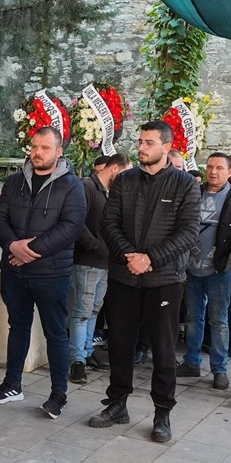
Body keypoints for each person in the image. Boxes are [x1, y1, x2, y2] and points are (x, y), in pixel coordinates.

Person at [88, 121, 199, 443]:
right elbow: (108, 224)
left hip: (164, 280)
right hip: (125, 277)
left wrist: (149, 259)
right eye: (140, 141)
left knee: (163, 351)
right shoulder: (124, 180)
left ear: (166, 147)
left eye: (149, 142)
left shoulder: (185, 185)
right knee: (120, 345)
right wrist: (129, 257)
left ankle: (162, 413)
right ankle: (117, 404)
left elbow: (189, 232)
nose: (142, 147)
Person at [0, 126, 87, 417]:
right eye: (34, 147)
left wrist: (30, 251)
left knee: (56, 332)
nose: (37, 153)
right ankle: (12, 384)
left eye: (44, 148)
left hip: (51, 273)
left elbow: (71, 227)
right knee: (17, 327)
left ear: (58, 152)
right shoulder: (16, 181)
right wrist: (12, 245)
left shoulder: (72, 185)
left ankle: (58, 394)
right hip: (15, 271)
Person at [177, 152, 231, 388]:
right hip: (191, 269)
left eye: (220, 168)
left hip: (220, 271)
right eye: (210, 166)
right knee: (192, 317)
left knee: (219, 320)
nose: (213, 172)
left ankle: (219, 369)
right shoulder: (193, 193)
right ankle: (191, 362)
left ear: (229, 172)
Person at [69, 152, 131, 383]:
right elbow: (76, 221)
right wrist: (93, 244)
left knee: (94, 310)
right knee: (82, 312)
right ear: (115, 169)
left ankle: (86, 352)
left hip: (107, 262)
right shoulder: (86, 187)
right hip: (87, 260)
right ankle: (77, 361)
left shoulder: (113, 191)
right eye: (125, 173)